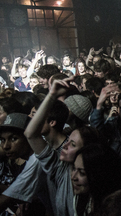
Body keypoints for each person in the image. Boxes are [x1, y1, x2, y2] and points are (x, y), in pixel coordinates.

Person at [24, 76, 104, 215]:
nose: (65, 146)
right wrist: (51, 95)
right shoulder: (62, 169)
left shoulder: (104, 195)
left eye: (72, 144)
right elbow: (31, 134)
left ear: (86, 152)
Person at [0, 113, 34, 215]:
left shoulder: (36, 162)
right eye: (3, 139)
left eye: (13, 139)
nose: (5, 146)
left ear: (29, 137)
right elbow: (15, 191)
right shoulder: (18, 160)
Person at [72, 144, 121, 215]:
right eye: (74, 168)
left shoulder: (118, 209)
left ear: (98, 175)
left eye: (82, 173)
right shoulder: (81, 198)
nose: (73, 177)